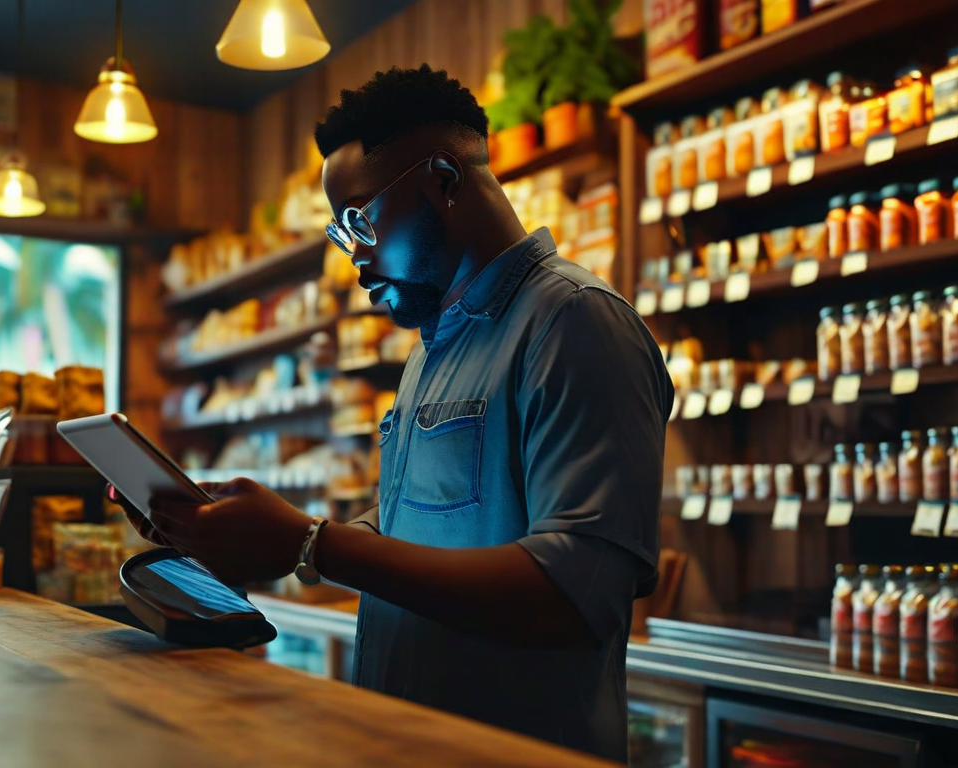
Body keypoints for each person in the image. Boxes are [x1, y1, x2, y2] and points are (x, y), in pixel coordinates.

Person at [124, 64, 672, 762]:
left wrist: (312, 544)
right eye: (339, 231)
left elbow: (575, 595)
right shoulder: (430, 350)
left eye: (360, 219)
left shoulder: (576, 323)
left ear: (443, 179)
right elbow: (421, 527)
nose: (353, 256)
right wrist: (242, 535)